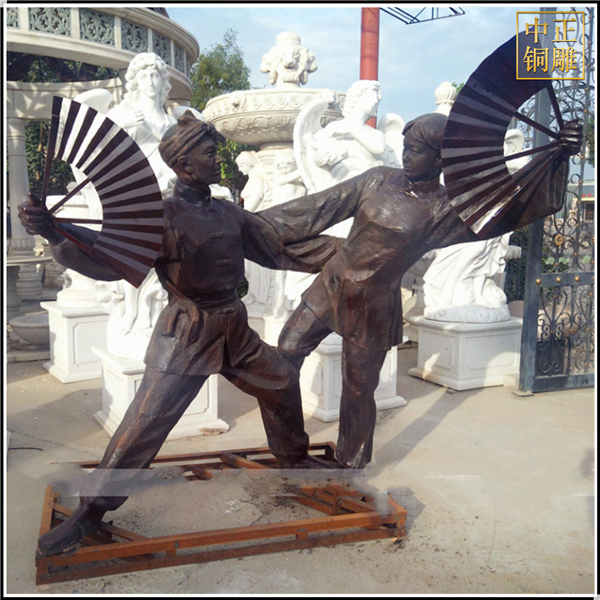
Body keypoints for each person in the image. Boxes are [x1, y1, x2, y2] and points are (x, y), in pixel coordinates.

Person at [19, 113, 343, 556]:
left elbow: (275, 247)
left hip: (234, 327)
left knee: (282, 381)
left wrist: (349, 255)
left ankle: (294, 460)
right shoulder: (161, 216)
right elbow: (105, 261)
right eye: (211, 153)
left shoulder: (228, 212)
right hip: (188, 332)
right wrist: (53, 233)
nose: (219, 159)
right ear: (185, 164)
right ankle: (90, 512)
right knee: (145, 424)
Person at [260, 112, 582, 469]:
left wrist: (558, 156)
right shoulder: (378, 179)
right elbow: (316, 208)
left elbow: (511, 208)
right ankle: (289, 446)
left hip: (373, 306)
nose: (406, 156)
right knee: (285, 352)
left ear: (439, 159)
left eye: (415, 150)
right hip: (330, 286)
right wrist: (250, 225)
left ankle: (350, 463)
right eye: (405, 147)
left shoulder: (446, 208)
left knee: (358, 388)